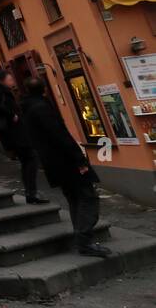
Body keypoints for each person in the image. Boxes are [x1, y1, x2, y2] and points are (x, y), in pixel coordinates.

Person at [20, 78, 111, 258]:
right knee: (87, 197)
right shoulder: (42, 108)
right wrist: (79, 159)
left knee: (74, 198)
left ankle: (82, 238)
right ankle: (85, 240)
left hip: (52, 163)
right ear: (44, 89)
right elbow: (60, 135)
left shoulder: (28, 109)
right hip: (65, 161)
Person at [0, 69, 48, 205]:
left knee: (28, 161)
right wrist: (11, 114)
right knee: (30, 159)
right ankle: (31, 193)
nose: (12, 81)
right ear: (2, 80)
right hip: (15, 134)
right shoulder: (0, 93)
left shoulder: (1, 91)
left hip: (14, 133)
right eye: (10, 79)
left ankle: (31, 193)